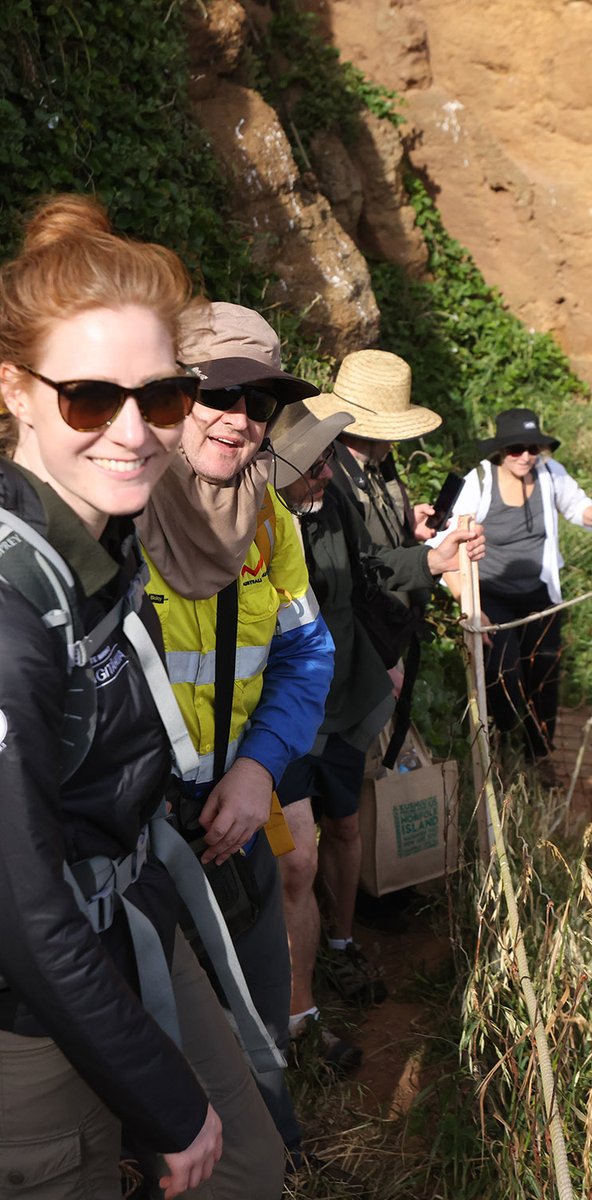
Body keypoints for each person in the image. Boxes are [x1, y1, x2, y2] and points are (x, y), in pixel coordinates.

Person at [0, 195, 283, 1200]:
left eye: (159, 397)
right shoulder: (12, 605)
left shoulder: (104, 545)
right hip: (30, 1016)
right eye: (86, 396)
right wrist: (165, 1105)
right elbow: (21, 915)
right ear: (16, 392)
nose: (132, 431)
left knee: (247, 1166)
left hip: (132, 913)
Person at [136, 301, 335, 1166]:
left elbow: (306, 654)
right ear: (172, 397)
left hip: (236, 821)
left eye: (260, 404)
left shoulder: (271, 525)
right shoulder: (114, 513)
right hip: (130, 841)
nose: (239, 419)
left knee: (254, 1015)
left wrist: (259, 770)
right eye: (216, 394)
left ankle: (267, 1158)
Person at [270, 401, 485, 1063]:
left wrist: (431, 562)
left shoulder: (332, 506)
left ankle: (339, 942)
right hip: (278, 723)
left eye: (328, 460)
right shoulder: (256, 526)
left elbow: (367, 574)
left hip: (341, 696)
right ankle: (298, 1012)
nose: (325, 474)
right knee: (295, 861)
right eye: (313, 465)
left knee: (345, 827)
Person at [437, 407, 592, 773]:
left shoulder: (549, 474)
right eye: (515, 449)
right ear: (500, 451)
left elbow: (576, 503)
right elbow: (443, 544)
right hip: (491, 595)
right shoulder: (479, 482)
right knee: (504, 675)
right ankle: (501, 746)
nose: (525, 456)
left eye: (532, 448)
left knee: (544, 677)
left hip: (539, 594)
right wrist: (469, 603)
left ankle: (538, 757)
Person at [307, 347, 443, 752]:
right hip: (362, 648)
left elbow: (374, 541)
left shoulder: (377, 464)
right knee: (349, 777)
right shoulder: (328, 479)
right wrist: (382, 660)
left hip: (383, 637)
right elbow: (349, 575)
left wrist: (409, 528)